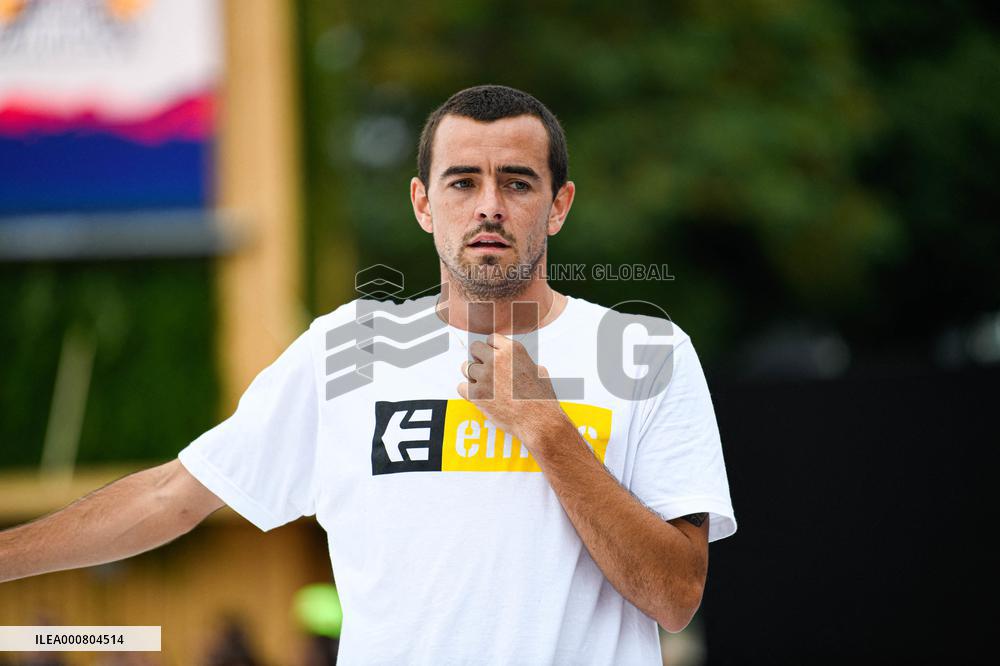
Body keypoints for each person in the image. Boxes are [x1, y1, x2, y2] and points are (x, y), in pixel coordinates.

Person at [0, 85, 737, 665]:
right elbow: (173, 495)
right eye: (460, 182)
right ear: (422, 204)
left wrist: (548, 430)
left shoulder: (648, 352)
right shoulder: (347, 349)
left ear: (559, 206)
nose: (488, 205)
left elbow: (675, 597)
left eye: (516, 182)